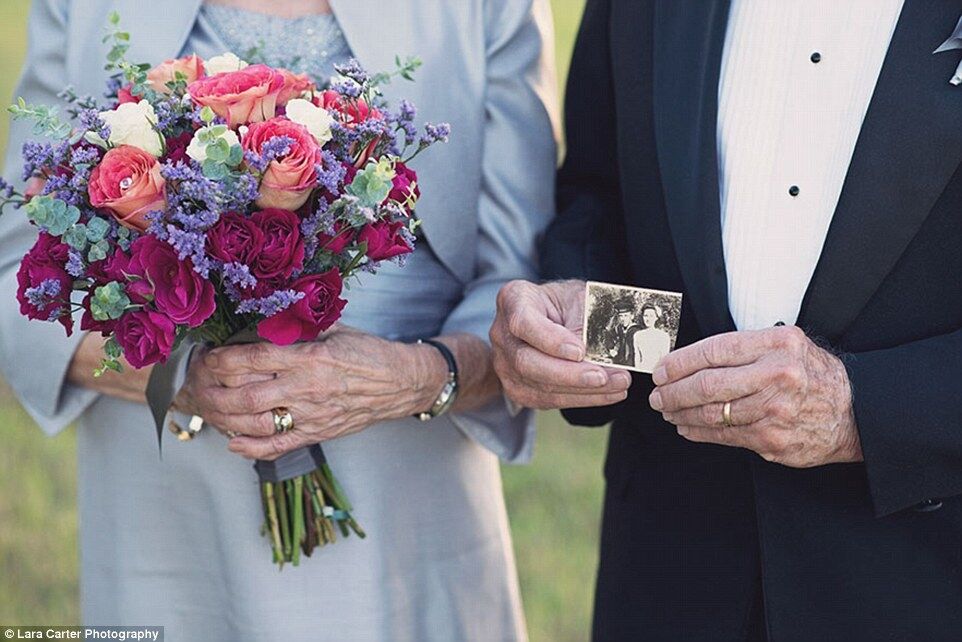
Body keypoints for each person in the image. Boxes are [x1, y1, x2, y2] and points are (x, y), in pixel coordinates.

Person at [0, 0, 558, 640]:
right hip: (167, 511)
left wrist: (413, 376)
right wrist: (175, 375)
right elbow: (22, 262)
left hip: (406, 498)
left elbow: (522, 286)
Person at [490, 0, 962, 639]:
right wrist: (579, 321)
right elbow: (602, 195)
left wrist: (862, 410)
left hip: (925, 579)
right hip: (670, 575)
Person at [632, 304, 670, 372]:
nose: (648, 319)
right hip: (642, 369)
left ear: (656, 318)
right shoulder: (637, 335)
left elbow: (664, 358)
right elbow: (637, 356)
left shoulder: (663, 336)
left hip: (656, 371)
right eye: (646, 315)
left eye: (651, 316)